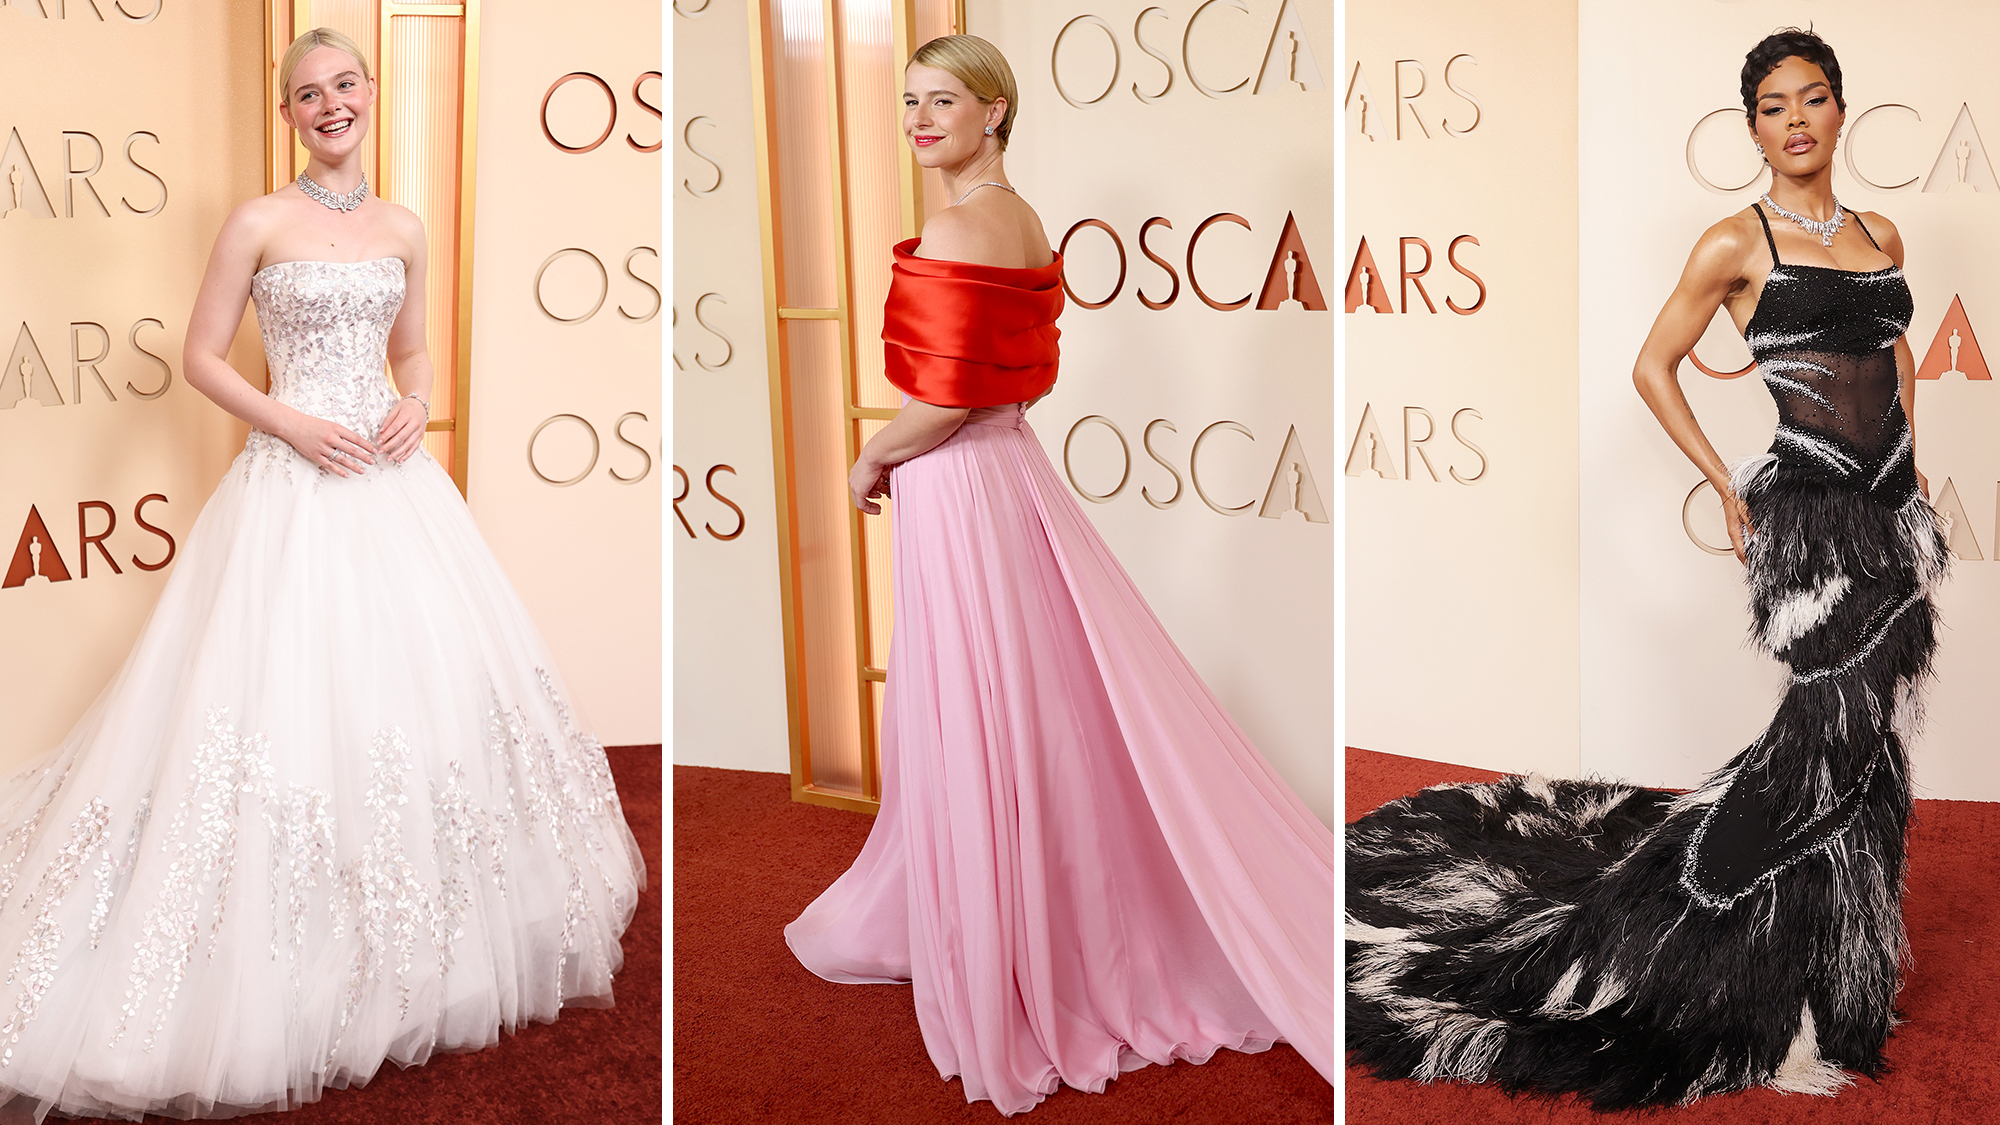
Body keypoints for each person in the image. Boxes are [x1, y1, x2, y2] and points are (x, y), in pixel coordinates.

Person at [0, 28, 644, 1120]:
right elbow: (202, 356)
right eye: (308, 93)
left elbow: (415, 350)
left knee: (413, 703)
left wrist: (417, 401)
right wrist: (292, 424)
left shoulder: (403, 224)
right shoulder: (256, 219)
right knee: (276, 707)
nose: (330, 104)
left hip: (393, 486)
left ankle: (424, 942)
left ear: (370, 92)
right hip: (291, 487)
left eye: (344, 85)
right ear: (290, 112)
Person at [1346, 28, 1946, 1109]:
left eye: (1812, 99)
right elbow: (1650, 364)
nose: (1795, 120)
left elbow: (1895, 357)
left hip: (1886, 519)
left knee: (1869, 756)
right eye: (1773, 106)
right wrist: (1725, 483)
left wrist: (1909, 477)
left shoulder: (1877, 231)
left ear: (1840, 112)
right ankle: (1742, 969)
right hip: (1808, 526)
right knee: (1817, 751)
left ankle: (1838, 967)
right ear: (1752, 124)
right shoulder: (1734, 240)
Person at [782, 35, 1339, 1117]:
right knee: (1020, 699)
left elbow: (942, 401)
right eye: (909, 101)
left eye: (941, 101)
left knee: (976, 702)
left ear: (994, 111)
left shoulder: (956, 222)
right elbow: (1008, 378)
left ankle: (1010, 939)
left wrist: (868, 452)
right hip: (1007, 472)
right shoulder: (1023, 215)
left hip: (956, 476)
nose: (918, 119)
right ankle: (1026, 905)